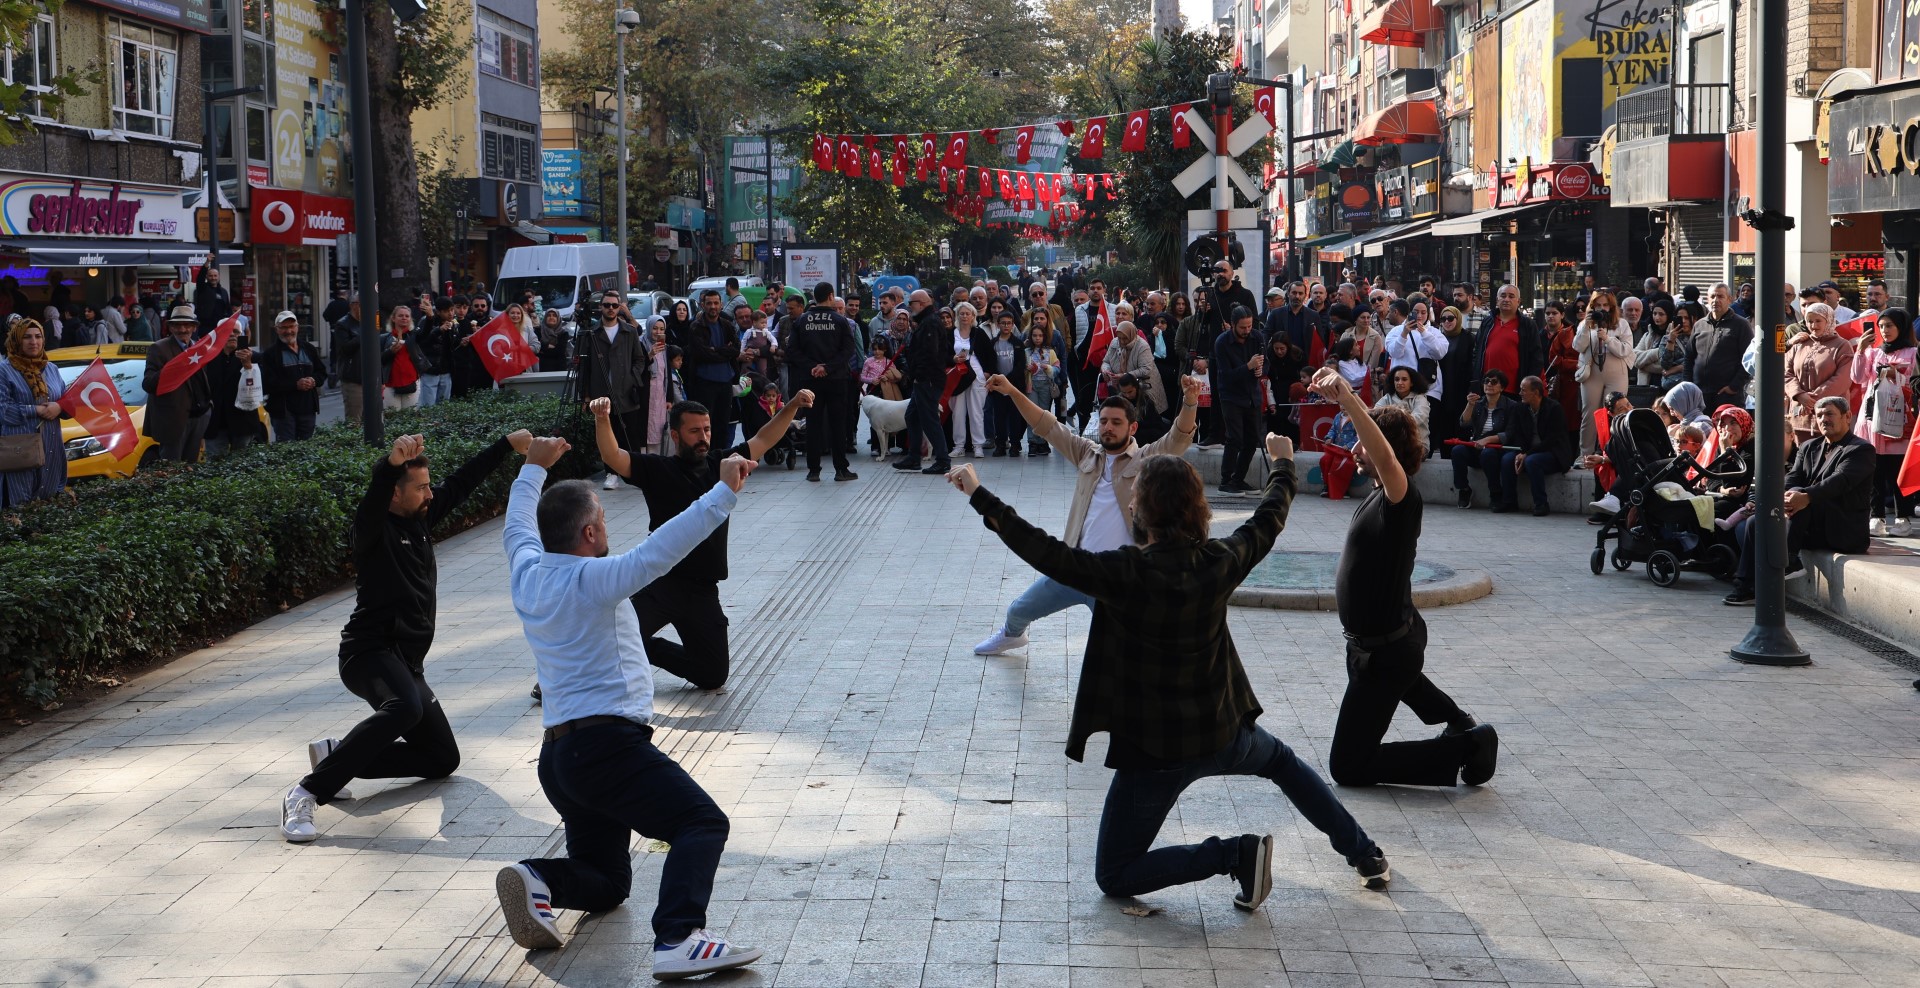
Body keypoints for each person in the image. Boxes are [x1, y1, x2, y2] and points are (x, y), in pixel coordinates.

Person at [950, 438, 1391, 906]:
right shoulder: (1220, 561)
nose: (1132, 499)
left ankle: (1236, 855)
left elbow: (1043, 551)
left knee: (1115, 875)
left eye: (1137, 494)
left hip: (1156, 752)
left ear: (1145, 509)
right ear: (1195, 507)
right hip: (1225, 732)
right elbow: (1269, 519)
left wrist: (980, 493)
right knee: (1284, 765)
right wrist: (1283, 464)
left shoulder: (1124, 572)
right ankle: (1365, 853)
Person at [496, 435, 763, 979]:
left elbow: (516, 525)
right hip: (608, 749)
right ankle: (680, 937)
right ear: (590, 532)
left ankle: (538, 878)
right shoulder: (594, 579)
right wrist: (722, 492)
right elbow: (660, 550)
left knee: (608, 883)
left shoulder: (527, 572)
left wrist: (531, 470)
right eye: (602, 519)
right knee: (701, 822)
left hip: (561, 759)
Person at [285, 430, 534, 843]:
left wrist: (506, 445)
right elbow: (374, 498)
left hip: (406, 662)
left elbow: (461, 483)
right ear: (395, 495)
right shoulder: (372, 532)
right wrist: (389, 466)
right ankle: (307, 791)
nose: (430, 494)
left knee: (441, 758)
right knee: (403, 709)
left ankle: (337, 755)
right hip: (367, 652)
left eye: (428, 485)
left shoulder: (420, 522)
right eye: (419, 488)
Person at [1306, 367, 1499, 786]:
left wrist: (1347, 400)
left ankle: (1466, 745)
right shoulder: (1378, 492)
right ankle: (1458, 721)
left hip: (1386, 652)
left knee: (1348, 768)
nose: (1354, 449)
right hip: (1383, 645)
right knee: (1406, 680)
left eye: (1362, 441)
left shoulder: (1401, 496)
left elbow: (1385, 457)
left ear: (1384, 449)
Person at [590, 392, 809, 691]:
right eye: (695, 431)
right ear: (676, 435)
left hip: (702, 590)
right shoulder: (657, 469)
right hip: (662, 584)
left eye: (706, 430)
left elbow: (764, 438)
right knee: (610, 636)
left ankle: (645, 648)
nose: (703, 437)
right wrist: (602, 419)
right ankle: (558, 681)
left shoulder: (723, 464)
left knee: (712, 675)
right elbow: (613, 456)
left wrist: (792, 406)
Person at [973, 376, 1201, 655]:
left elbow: (1177, 439)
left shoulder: (1146, 459)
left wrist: (1190, 401)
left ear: (1133, 427)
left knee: (1123, 644)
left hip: (1116, 579)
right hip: (1076, 565)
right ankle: (1011, 636)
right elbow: (1047, 425)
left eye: (1116, 422)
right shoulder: (1087, 454)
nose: (1108, 428)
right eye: (1104, 421)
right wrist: (1012, 391)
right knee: (1019, 609)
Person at [1724, 396, 1875, 605]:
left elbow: (1840, 482)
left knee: (1798, 496)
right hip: (1807, 525)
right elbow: (1792, 478)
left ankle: (1790, 558)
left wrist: (1805, 496)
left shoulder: (1861, 450)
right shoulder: (1809, 447)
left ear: (1847, 416)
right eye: (1819, 415)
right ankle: (1746, 586)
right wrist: (1781, 497)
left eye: (1830, 414)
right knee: (1754, 522)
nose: (1824, 419)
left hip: (1840, 528)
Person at [578, 291, 652, 490]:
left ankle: (637, 472)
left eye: (614, 305)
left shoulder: (629, 331)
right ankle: (611, 473)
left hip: (626, 391)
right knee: (606, 435)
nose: (610, 308)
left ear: (620, 307)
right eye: (607, 305)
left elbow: (640, 359)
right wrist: (585, 395)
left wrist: (632, 377)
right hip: (601, 392)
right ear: (600, 307)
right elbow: (584, 367)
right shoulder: (592, 333)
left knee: (630, 434)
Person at [1853, 307, 1917, 537]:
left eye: (1889, 325)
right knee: (1874, 470)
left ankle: (1903, 516)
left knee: (1897, 471)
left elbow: (1914, 381)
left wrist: (1896, 376)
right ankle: (1876, 516)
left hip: (1898, 418)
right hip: (1872, 418)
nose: (1884, 330)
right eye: (1881, 326)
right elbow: (1858, 378)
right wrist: (1860, 351)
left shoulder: (1913, 352)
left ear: (1901, 326)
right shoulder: (1874, 352)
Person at [787, 282, 859, 481]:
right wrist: (827, 367)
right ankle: (841, 469)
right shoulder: (840, 320)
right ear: (831, 295)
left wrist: (812, 366)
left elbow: (792, 350)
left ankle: (813, 470)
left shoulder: (801, 321)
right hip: (836, 379)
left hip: (810, 380)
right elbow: (848, 350)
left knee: (813, 424)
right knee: (838, 425)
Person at [0, 318, 65, 507]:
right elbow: (2, 410)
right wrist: (35, 410)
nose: (33, 342)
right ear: (16, 340)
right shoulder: (5, 371)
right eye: (26, 337)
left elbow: (65, 400)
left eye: (38, 336)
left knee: (47, 508)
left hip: (51, 449)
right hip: (19, 451)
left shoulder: (51, 369)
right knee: (19, 512)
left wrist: (59, 407)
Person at [892, 290, 954, 475]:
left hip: (928, 379)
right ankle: (914, 457)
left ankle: (943, 460)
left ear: (921, 303)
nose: (910, 307)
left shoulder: (930, 324)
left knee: (929, 420)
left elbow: (930, 354)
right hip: (924, 379)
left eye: (911, 303)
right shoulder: (926, 323)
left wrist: (919, 374)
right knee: (912, 416)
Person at [141, 306, 213, 462]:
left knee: (191, 468)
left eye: (187, 325)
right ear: (171, 327)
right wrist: (173, 368)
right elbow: (148, 384)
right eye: (177, 325)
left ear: (194, 328)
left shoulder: (199, 348)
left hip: (199, 417)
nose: (182, 329)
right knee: (171, 470)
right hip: (173, 421)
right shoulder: (158, 348)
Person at [1212, 306, 1266, 495]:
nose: (1247, 331)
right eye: (1242, 327)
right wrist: (1248, 367)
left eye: (1249, 326)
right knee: (1234, 438)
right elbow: (1226, 375)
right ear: (1233, 325)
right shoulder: (1222, 343)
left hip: (1252, 395)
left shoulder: (1258, 337)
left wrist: (1260, 369)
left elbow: (1265, 363)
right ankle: (1226, 481)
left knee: (1252, 440)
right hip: (1231, 395)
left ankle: (1238, 479)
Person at [1502, 375, 1573, 516]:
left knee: (1532, 462)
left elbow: (1552, 440)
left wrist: (1527, 454)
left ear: (1535, 392)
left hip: (1553, 452)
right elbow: (1518, 435)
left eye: (1524, 390)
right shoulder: (1520, 408)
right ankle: (1509, 501)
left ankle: (1541, 504)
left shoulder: (1554, 408)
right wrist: (1521, 453)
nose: (1520, 393)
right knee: (1507, 460)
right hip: (1527, 450)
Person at [1785, 302, 1854, 445]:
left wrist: (1812, 400)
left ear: (1828, 321)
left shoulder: (1842, 345)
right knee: (1803, 455)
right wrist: (1799, 394)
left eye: (1818, 321)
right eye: (1809, 321)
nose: (1813, 325)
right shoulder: (1800, 344)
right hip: (1800, 414)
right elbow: (1786, 372)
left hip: (1830, 413)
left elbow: (1842, 379)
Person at [1574, 291, 1633, 456]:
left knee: (1617, 412)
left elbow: (1626, 350)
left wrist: (1607, 339)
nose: (1602, 309)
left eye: (1605, 305)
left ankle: (1612, 453)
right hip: (1592, 373)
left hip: (1616, 372)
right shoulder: (1585, 324)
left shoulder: (1621, 324)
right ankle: (1585, 454)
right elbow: (1578, 347)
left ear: (1612, 307)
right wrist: (1586, 326)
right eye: (1598, 305)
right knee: (1590, 413)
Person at [1452, 370, 1520, 509]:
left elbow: (1509, 434)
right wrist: (1470, 405)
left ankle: (1495, 493)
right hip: (1478, 446)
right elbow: (1464, 423)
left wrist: (1488, 440)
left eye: (1494, 382)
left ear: (1502, 387)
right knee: (1457, 451)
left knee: (1488, 454)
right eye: (1486, 381)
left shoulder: (1511, 406)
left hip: (1497, 449)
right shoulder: (1478, 403)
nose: (1489, 384)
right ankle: (1463, 489)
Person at [685, 290, 742, 448]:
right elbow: (702, 354)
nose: (713, 306)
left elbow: (736, 349)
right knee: (705, 424)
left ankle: (720, 460)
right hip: (704, 383)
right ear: (703, 305)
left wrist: (715, 350)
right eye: (709, 303)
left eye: (716, 303)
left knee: (722, 424)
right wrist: (724, 351)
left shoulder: (727, 325)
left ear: (721, 305)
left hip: (725, 383)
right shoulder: (696, 327)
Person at [259, 311, 325, 443]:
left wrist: (313, 380)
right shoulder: (270, 353)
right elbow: (267, 383)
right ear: (277, 330)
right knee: (287, 450)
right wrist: (295, 385)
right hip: (283, 412)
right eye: (283, 327)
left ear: (297, 327)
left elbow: (322, 372)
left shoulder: (309, 348)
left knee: (306, 448)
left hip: (307, 408)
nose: (288, 331)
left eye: (291, 326)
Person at [1689, 283, 1753, 411]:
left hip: (1727, 397)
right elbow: (1689, 357)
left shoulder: (1741, 325)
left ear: (1729, 299)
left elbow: (1750, 360)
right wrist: (1688, 385)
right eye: (1712, 296)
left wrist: (1733, 387)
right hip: (1699, 395)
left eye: (1720, 296)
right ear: (1707, 299)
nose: (1715, 300)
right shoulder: (1699, 325)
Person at [203, 331, 262, 457]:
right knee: (215, 467)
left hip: (243, 422)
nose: (232, 335)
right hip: (215, 423)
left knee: (242, 466)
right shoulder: (208, 358)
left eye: (236, 332)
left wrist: (248, 366)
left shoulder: (254, 357)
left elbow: (261, 387)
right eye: (228, 331)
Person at [950, 301, 993, 458]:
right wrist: (952, 358)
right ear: (957, 315)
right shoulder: (951, 333)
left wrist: (988, 372)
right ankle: (959, 445)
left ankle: (977, 445)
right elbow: (944, 353)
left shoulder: (978, 333)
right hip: (958, 375)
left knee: (976, 412)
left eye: (968, 313)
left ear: (973, 316)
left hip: (976, 374)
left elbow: (989, 354)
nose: (964, 316)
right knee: (958, 412)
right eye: (961, 313)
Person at [194, 268, 233, 338]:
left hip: (220, 327)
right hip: (205, 327)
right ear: (206, 277)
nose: (213, 278)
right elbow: (200, 278)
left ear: (219, 276)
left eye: (215, 276)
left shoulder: (223, 291)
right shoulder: (202, 288)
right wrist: (206, 264)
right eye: (210, 276)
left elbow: (228, 308)